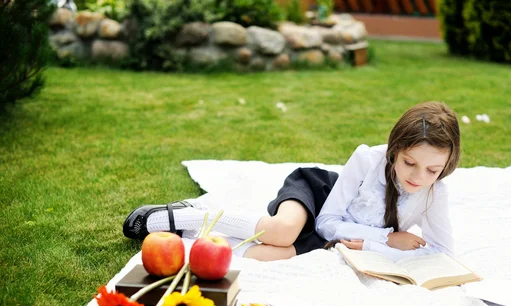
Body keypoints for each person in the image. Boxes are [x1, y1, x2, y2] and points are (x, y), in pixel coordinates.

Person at [123, 101, 461, 262]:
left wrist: (372, 245)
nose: (419, 177)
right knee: (283, 231)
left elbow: (443, 251)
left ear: (447, 165)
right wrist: (387, 238)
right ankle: (191, 215)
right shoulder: (368, 158)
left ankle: (188, 240)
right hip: (318, 196)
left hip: (335, 240)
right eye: (409, 163)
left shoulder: (435, 194)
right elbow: (328, 222)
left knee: (269, 254)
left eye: (432, 170)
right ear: (394, 149)